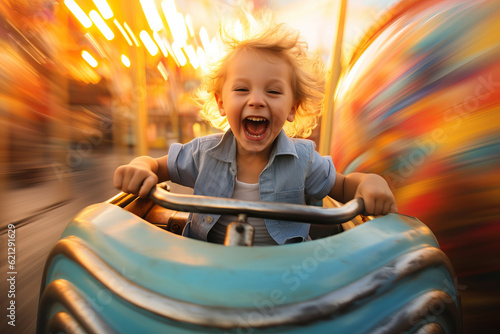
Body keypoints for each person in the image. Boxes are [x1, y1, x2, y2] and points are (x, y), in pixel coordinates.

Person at [114, 11, 397, 245]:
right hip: (209, 271)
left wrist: (368, 182)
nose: (257, 101)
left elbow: (346, 186)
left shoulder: (305, 160)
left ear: (292, 108)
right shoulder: (202, 153)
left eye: (273, 92)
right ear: (222, 102)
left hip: (281, 277)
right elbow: (156, 167)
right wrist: (141, 165)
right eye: (242, 89)